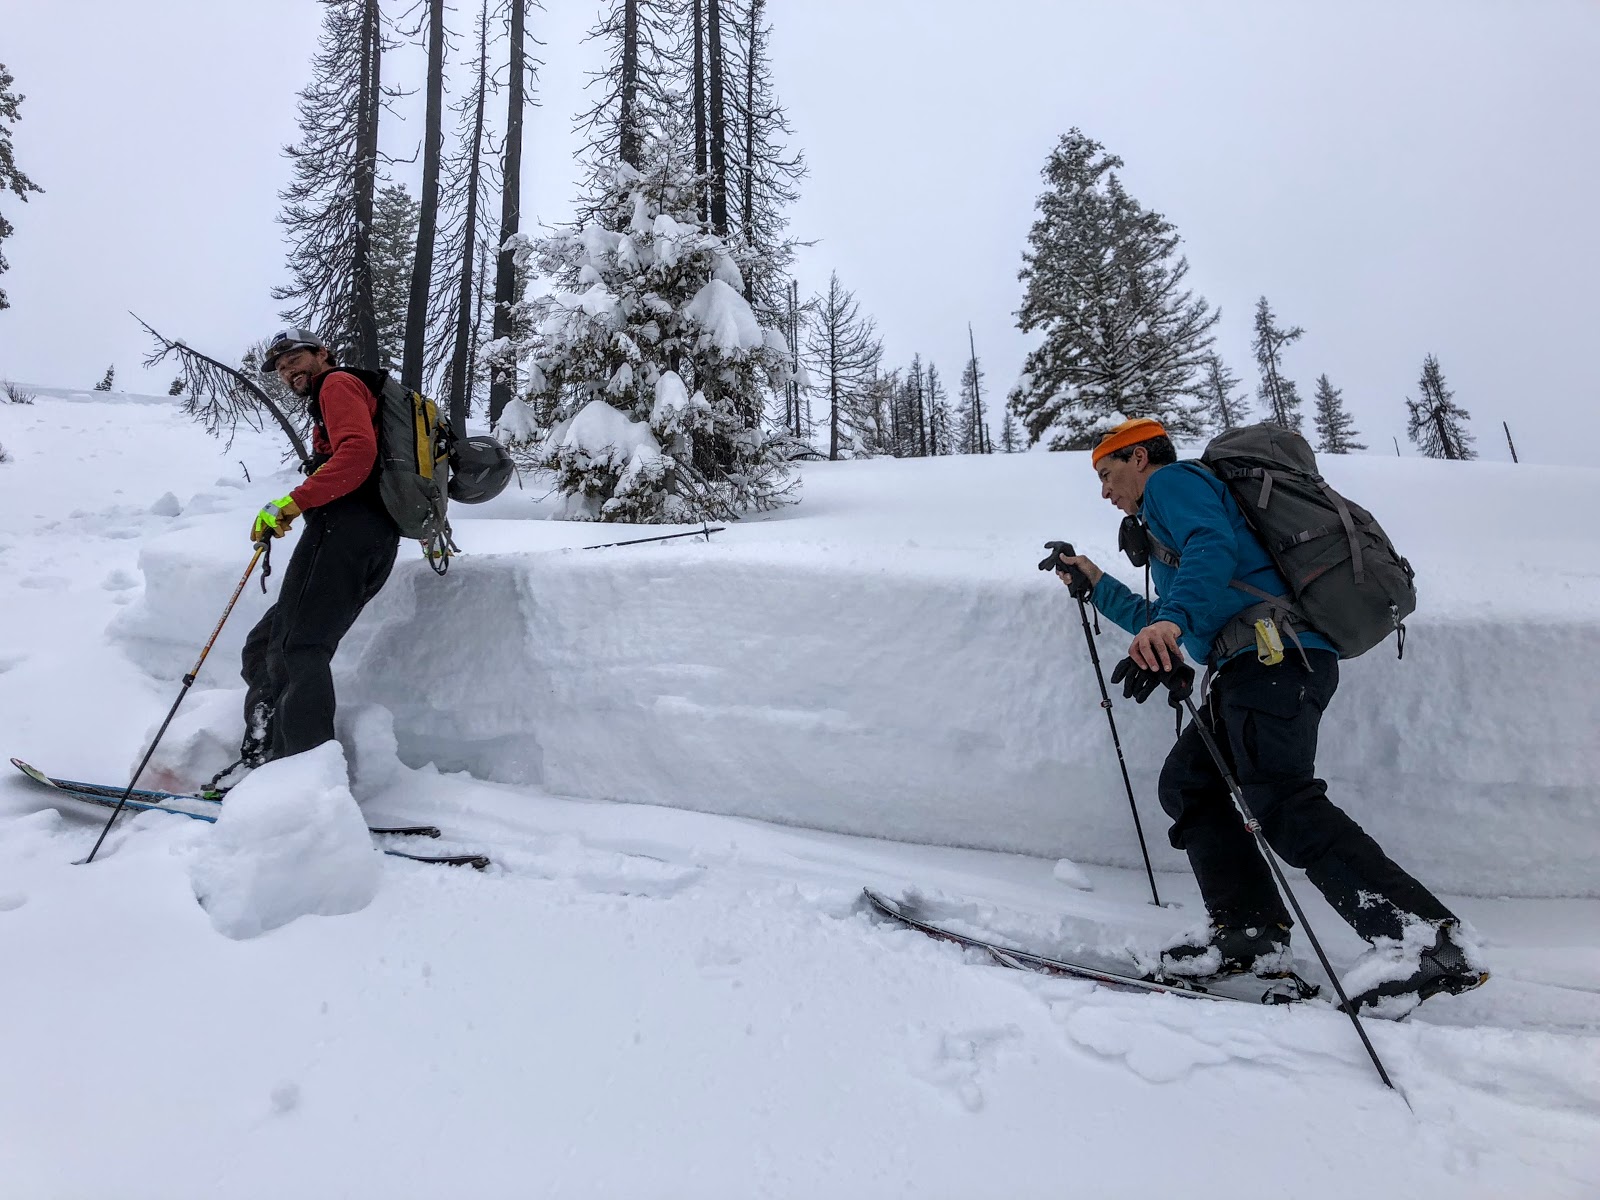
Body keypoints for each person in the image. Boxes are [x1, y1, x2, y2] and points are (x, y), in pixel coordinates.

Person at [1050, 417, 1487, 1009]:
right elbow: (1183, 605)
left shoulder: (1173, 483)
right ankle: (1249, 934)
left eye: (1108, 472)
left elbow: (1211, 549)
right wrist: (1100, 584)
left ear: (1141, 458)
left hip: (1273, 659)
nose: (1105, 491)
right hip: (1254, 664)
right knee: (1190, 784)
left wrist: (1171, 624)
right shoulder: (1167, 517)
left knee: (1281, 801)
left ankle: (1424, 939)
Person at [230, 328, 400, 778]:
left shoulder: (337, 383)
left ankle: (298, 777)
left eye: (294, 360)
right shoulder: (341, 393)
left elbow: (358, 455)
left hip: (347, 531)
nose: (288, 372)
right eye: (281, 369)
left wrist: (291, 503)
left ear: (323, 354)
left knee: (298, 647)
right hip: (357, 534)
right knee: (266, 644)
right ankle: (264, 753)